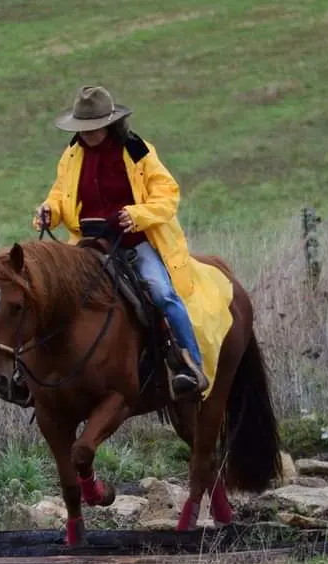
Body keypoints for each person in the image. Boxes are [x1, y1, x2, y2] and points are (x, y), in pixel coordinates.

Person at [32, 85, 208, 396]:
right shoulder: (71, 155)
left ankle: (191, 367)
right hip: (85, 246)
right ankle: (33, 376)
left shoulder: (137, 150)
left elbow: (168, 194)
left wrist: (137, 215)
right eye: (82, 128)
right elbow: (61, 195)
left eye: (93, 128)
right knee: (46, 296)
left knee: (163, 294)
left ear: (109, 124)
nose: (87, 134)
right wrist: (48, 210)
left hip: (131, 244)